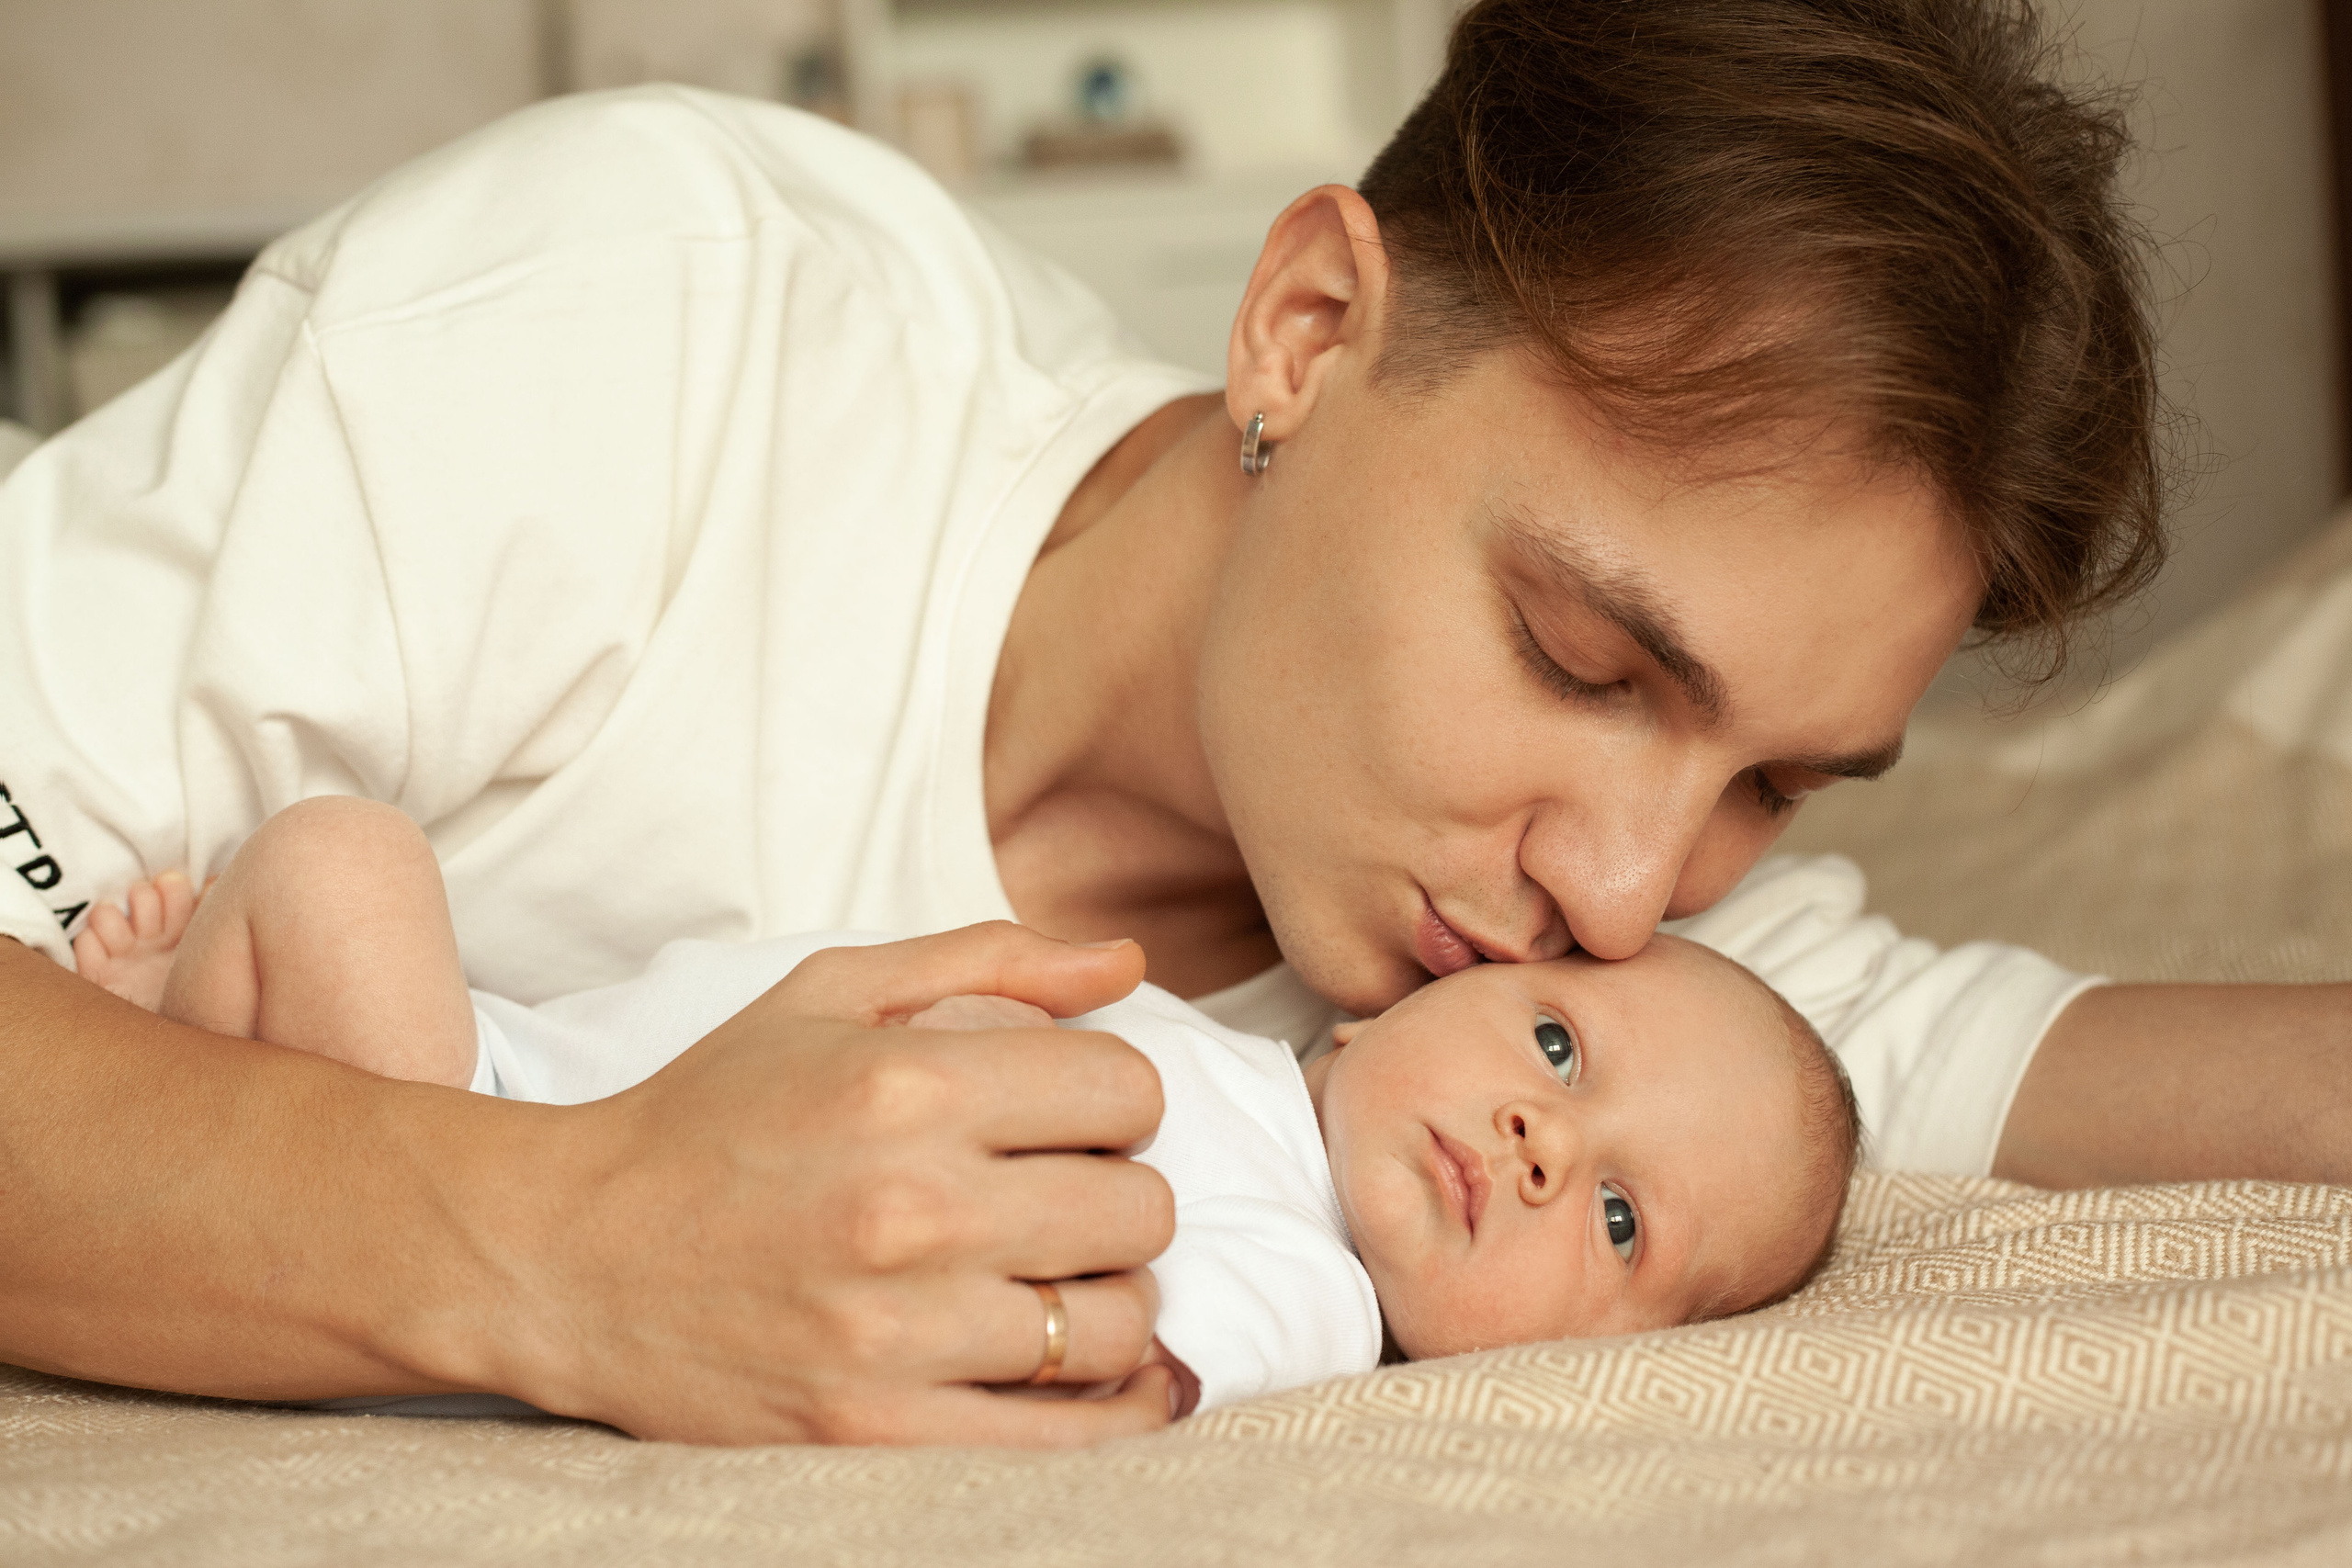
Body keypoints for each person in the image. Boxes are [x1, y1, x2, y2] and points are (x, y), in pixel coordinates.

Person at [4, 0, 2346, 1447]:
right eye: (1580, 656)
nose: (1623, 888)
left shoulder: (1616, 1036)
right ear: (1307, 333)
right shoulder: (664, 337)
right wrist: (566, 1240)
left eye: (1764, 780)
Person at [74, 795, 1860, 1412]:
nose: (1549, 1144)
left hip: (527, 1142)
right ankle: (195, 1031)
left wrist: (1127, 1373)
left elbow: (1160, 1347)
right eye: (1554, 1047)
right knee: (339, 864)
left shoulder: (1309, 1278)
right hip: (531, 1067)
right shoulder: (1208, 1043)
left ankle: (197, 1031)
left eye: (1618, 1220)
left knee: (342, 864)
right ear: (1434, 984)